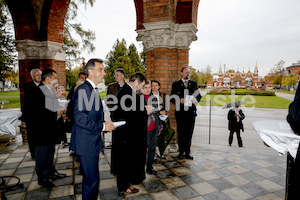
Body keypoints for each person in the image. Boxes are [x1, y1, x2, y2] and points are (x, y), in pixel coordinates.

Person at [70, 59, 116, 200]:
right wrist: (102, 126)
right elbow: (80, 117)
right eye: (100, 69)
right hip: (86, 144)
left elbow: (91, 115)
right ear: (90, 71)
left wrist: (104, 123)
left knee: (91, 180)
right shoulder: (84, 89)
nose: (104, 73)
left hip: (90, 142)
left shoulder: (92, 89)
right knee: (92, 181)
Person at [112, 72, 152, 197]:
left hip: (128, 133)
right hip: (125, 134)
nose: (141, 88)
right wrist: (145, 111)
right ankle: (123, 186)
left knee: (126, 160)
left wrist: (142, 109)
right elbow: (129, 114)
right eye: (142, 85)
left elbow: (132, 110)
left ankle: (126, 183)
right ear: (136, 82)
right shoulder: (126, 92)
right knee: (123, 161)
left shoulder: (128, 91)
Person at [33, 68, 67, 188]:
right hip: (42, 130)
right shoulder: (38, 91)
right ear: (48, 78)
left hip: (50, 128)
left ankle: (51, 172)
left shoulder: (49, 89)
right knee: (42, 155)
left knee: (50, 153)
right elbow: (39, 112)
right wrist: (57, 112)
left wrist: (59, 107)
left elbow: (51, 107)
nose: (56, 80)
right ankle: (43, 178)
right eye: (55, 78)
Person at [171, 67, 202, 160]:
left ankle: (187, 152)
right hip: (180, 113)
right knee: (180, 132)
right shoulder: (176, 84)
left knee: (189, 132)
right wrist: (178, 100)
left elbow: (199, 96)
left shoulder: (194, 84)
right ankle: (181, 152)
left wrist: (195, 100)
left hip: (190, 113)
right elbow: (172, 97)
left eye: (189, 72)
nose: (187, 74)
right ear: (181, 73)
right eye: (186, 72)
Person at [23, 68, 42, 160]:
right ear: (32, 76)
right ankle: (33, 154)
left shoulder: (44, 86)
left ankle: (40, 152)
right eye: (37, 75)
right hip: (31, 117)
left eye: (40, 75)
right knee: (31, 136)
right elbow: (28, 103)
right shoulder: (28, 87)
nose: (39, 77)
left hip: (41, 116)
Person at [142, 81, 160, 175]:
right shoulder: (138, 99)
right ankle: (140, 170)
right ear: (141, 88)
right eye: (145, 87)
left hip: (153, 127)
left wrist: (158, 125)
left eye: (149, 87)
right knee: (142, 150)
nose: (148, 89)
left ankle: (149, 167)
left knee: (152, 149)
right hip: (144, 129)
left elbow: (157, 112)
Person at [105, 68, 125, 150]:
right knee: (115, 131)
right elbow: (107, 100)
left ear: (122, 76)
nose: (115, 77)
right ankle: (115, 146)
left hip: (126, 114)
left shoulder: (128, 87)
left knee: (124, 131)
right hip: (115, 114)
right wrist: (112, 109)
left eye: (117, 75)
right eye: (115, 75)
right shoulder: (111, 86)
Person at [151, 80, 167, 159]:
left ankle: (160, 152)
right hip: (153, 119)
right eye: (153, 85)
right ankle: (153, 154)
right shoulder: (149, 95)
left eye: (156, 85)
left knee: (161, 136)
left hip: (162, 119)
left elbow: (166, 106)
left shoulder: (163, 95)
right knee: (154, 136)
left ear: (159, 86)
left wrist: (164, 111)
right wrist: (158, 112)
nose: (154, 87)